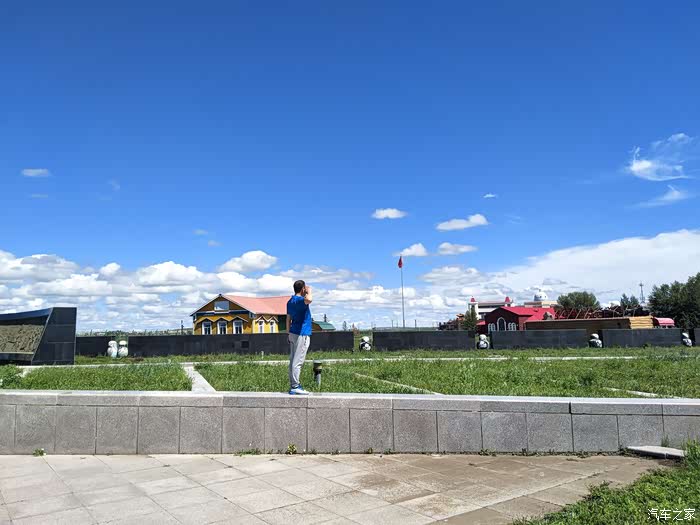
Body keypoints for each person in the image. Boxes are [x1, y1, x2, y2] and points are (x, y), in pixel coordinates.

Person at [287, 280, 313, 395]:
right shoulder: (300, 301)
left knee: (293, 360)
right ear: (303, 289)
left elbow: (288, 319)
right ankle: (295, 386)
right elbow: (309, 299)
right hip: (301, 333)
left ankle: (293, 385)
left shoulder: (290, 301)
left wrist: (288, 333)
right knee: (298, 361)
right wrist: (309, 291)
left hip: (293, 333)